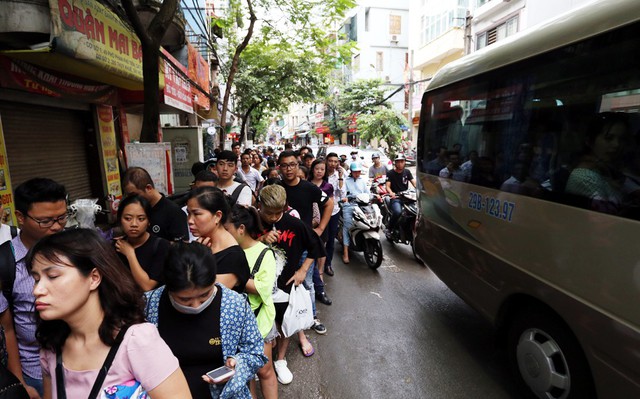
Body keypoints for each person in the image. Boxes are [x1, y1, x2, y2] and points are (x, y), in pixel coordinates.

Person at [28, 229, 191, 398]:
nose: (37, 290)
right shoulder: (52, 345)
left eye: (53, 276)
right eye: (36, 279)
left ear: (94, 278)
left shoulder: (136, 340)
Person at [144, 242, 266, 398]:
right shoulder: (149, 306)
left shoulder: (235, 305)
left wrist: (238, 365)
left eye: (204, 296)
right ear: (168, 287)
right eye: (185, 299)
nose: (195, 305)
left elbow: (255, 352)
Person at [0, 178, 68, 398]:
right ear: (20, 218)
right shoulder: (5, 263)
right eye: (46, 221)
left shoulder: (74, 251)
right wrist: (20, 383)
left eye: (62, 217)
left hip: (80, 367)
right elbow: (7, 329)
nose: (57, 226)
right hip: (35, 374)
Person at [256, 185, 323, 384]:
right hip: (257, 286)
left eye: (279, 212)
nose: (274, 217)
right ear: (260, 205)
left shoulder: (295, 224)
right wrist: (261, 238)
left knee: (286, 322)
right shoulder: (252, 221)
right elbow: (237, 245)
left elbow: (315, 247)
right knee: (260, 324)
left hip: (286, 285)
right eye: (269, 213)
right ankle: (261, 361)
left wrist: (302, 271)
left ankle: (280, 360)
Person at [225, 205, 278, 399]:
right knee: (245, 375)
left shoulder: (264, 253)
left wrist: (234, 277)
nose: (225, 234)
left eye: (227, 230)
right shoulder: (227, 251)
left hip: (260, 322)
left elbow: (263, 288)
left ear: (241, 229)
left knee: (264, 371)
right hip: (236, 325)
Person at [278, 150, 332, 333]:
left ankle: (311, 318)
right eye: (284, 165)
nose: (288, 169)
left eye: (292, 164)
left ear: (297, 165)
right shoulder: (276, 187)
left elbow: (329, 203)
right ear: (279, 168)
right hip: (280, 247)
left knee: (307, 283)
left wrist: (320, 229)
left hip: (304, 247)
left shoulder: (309, 188)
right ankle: (287, 319)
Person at [186, 186, 250, 293]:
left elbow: (202, 295)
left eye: (196, 214)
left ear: (217, 216)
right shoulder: (200, 246)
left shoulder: (233, 257)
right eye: (188, 213)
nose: (190, 220)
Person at [565, 112, 629, 214]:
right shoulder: (584, 177)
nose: (617, 144)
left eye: (622, 139)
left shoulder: (608, 171)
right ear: (589, 141)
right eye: (608, 138)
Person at [114, 195, 170, 292]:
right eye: (128, 218)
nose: (134, 224)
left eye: (141, 219)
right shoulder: (116, 246)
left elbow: (147, 286)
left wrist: (130, 254)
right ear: (120, 220)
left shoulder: (161, 246)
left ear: (149, 221)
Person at [122, 167, 188, 242]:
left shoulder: (174, 213)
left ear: (148, 188)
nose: (132, 200)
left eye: (134, 195)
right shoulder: (136, 210)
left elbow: (183, 248)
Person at [308, 160, 333, 305]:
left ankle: (320, 271)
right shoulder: (307, 184)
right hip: (308, 220)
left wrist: (322, 225)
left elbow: (330, 204)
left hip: (322, 221)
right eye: (317, 169)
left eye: (322, 169)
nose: (319, 171)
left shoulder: (327, 186)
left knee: (321, 247)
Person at [341, 162, 370, 264]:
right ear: (351, 172)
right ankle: (345, 252)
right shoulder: (346, 181)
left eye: (359, 171)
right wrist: (344, 198)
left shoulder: (362, 181)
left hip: (362, 205)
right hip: (349, 205)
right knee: (347, 226)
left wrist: (373, 196)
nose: (357, 173)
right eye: (355, 172)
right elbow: (343, 193)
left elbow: (367, 192)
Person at [323, 153, 346, 277]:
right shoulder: (321, 173)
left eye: (335, 161)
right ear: (326, 161)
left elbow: (342, 194)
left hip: (334, 211)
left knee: (331, 239)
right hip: (320, 212)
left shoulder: (339, 176)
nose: (332, 164)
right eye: (330, 161)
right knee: (321, 239)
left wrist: (341, 177)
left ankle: (328, 264)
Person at [386, 154, 417, 237]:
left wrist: (420, 190)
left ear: (405, 162)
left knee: (415, 212)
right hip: (396, 198)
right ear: (395, 163)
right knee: (397, 212)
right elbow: (387, 186)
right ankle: (389, 228)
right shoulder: (390, 173)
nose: (400, 164)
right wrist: (391, 193)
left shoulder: (407, 172)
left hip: (407, 197)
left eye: (402, 161)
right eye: (398, 162)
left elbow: (414, 183)